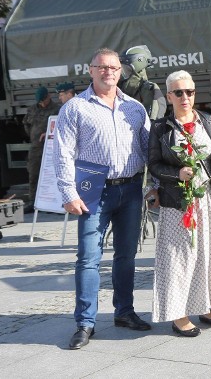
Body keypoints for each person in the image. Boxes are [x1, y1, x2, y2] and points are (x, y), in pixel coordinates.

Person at [54, 48, 152, 350]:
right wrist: (68, 193)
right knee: (88, 259)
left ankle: (124, 312)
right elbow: (63, 153)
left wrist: (156, 185)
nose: (108, 71)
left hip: (132, 189)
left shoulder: (135, 108)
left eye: (114, 67)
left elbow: (150, 151)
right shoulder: (75, 108)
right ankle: (85, 322)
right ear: (91, 70)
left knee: (126, 256)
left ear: (121, 71)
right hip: (92, 191)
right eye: (102, 67)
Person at [149, 70, 211, 337]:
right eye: (178, 92)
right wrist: (176, 174)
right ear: (169, 96)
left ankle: (206, 306)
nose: (184, 97)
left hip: (209, 202)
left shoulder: (207, 120)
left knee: (209, 254)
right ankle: (178, 315)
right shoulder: (160, 128)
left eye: (189, 92)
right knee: (180, 259)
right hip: (179, 203)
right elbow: (153, 165)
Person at [23, 86, 61, 212]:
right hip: (36, 148)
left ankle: (53, 204)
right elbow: (26, 125)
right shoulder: (32, 109)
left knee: (53, 175)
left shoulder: (57, 109)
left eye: (43, 100)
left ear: (48, 96)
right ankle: (32, 202)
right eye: (39, 101)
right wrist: (33, 137)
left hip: (52, 147)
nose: (42, 103)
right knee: (33, 174)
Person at [119, 45, 167, 120]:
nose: (122, 71)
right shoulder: (120, 88)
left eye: (126, 68)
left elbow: (154, 120)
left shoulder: (149, 89)